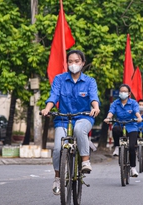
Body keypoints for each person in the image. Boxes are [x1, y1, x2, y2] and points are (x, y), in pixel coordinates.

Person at [40, 50, 100, 195]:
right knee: (57, 149)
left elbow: (93, 97)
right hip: (63, 119)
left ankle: (85, 161)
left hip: (84, 117)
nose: (73, 64)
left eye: (77, 61)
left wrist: (95, 107)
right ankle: (57, 178)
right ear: (67, 63)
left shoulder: (90, 81)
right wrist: (47, 109)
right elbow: (53, 96)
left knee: (80, 129)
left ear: (83, 63)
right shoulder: (59, 79)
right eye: (70, 61)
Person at [104, 84, 142, 177]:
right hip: (120, 125)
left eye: (125, 91)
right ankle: (117, 147)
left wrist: (139, 117)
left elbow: (136, 111)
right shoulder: (115, 103)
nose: (123, 93)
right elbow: (111, 112)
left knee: (132, 147)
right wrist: (108, 118)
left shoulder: (133, 103)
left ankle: (133, 168)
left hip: (132, 126)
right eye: (121, 91)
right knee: (115, 128)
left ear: (129, 93)